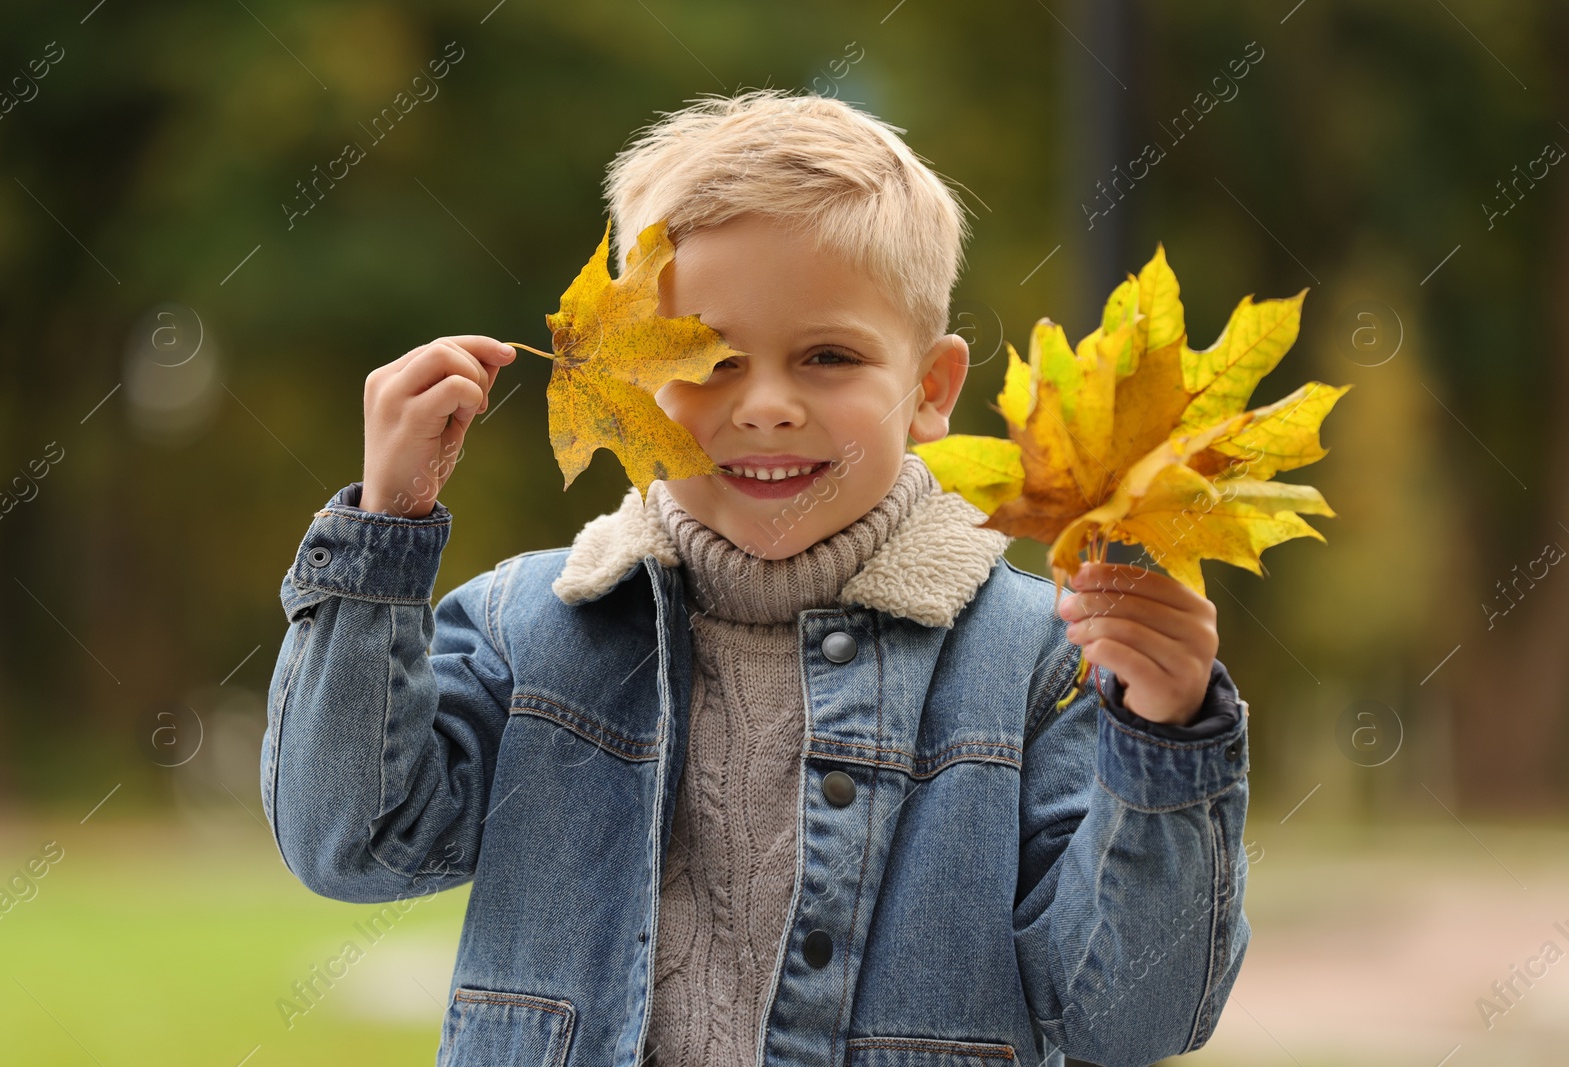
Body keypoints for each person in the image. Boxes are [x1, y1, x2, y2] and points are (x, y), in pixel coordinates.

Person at [261, 88, 1251, 1067]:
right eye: (710, 359)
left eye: (827, 355)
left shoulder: (1038, 663)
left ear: (931, 388)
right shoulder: (533, 627)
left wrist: (1163, 741)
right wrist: (378, 538)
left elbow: (1129, 1018)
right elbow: (352, 839)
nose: (767, 404)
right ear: (624, 376)